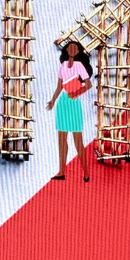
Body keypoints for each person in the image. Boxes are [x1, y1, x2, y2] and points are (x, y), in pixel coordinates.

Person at [47, 40, 93, 181]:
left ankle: (86, 172)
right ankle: (61, 172)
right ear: (66, 50)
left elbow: (88, 85)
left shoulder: (79, 66)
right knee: (62, 140)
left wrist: (76, 93)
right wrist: (53, 100)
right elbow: (59, 87)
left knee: (77, 140)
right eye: (70, 47)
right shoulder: (63, 66)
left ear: (78, 51)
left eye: (75, 48)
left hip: (74, 103)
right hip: (63, 103)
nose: (72, 50)